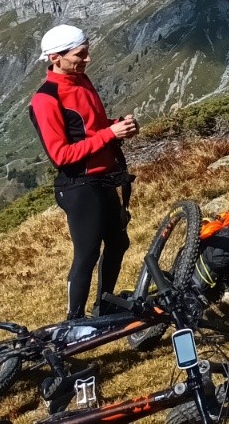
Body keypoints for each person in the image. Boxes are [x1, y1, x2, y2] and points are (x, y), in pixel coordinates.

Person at [29, 24, 139, 320]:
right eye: (81, 54)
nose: (87, 59)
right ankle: (74, 320)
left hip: (102, 178)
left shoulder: (81, 80)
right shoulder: (45, 99)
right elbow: (61, 155)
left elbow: (91, 130)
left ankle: (104, 307)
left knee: (118, 242)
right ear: (56, 57)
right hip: (78, 184)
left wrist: (118, 126)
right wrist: (110, 135)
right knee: (87, 253)